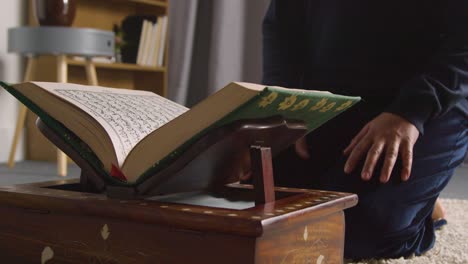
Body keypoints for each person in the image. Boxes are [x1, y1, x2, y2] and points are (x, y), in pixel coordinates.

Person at [262, 0, 467, 260]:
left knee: (348, 232)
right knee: (254, 206)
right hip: (334, 96)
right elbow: (281, 23)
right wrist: (288, 100)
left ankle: (420, 210)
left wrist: (409, 112)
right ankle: (412, 197)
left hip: (428, 104)